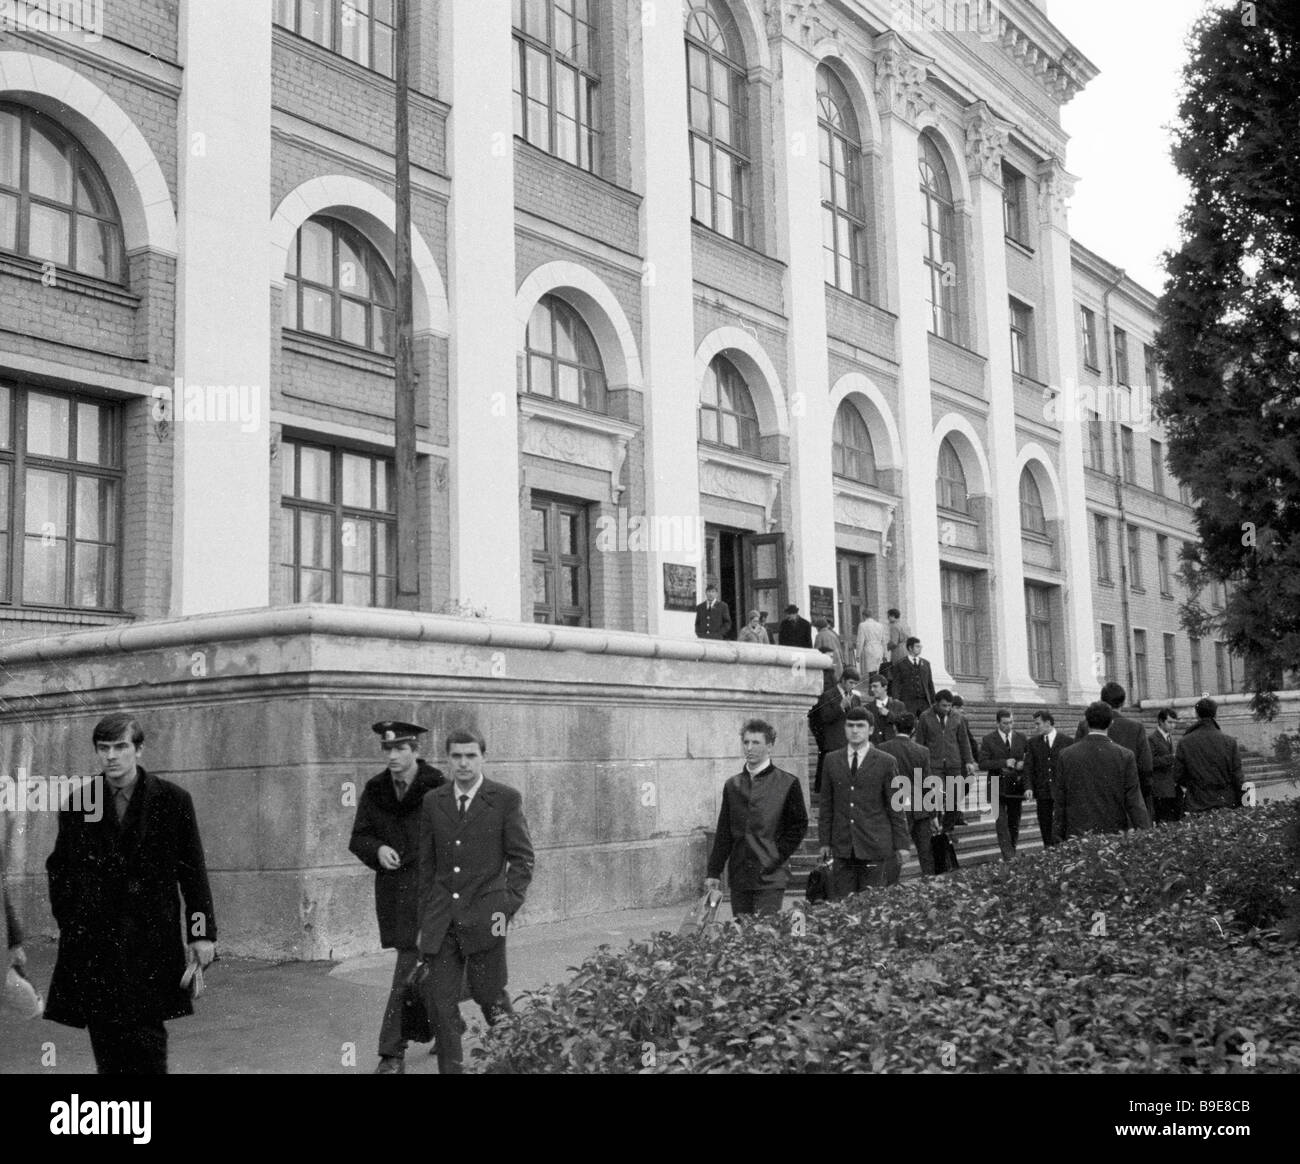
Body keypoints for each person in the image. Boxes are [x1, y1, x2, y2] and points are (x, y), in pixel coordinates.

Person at [44, 713, 216, 1074]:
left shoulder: (171, 800)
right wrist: (73, 920)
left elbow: (193, 873)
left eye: (121, 747)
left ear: (139, 749)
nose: (111, 756)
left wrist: (201, 933)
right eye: (103, 748)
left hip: (150, 942)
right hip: (96, 945)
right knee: (105, 1042)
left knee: (148, 1041)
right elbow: (60, 870)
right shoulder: (82, 802)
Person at [417, 728, 534, 1074]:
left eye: (471, 755)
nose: (463, 763)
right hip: (442, 918)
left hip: (488, 917)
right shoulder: (433, 801)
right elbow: (427, 865)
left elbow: (523, 858)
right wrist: (425, 918)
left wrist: (504, 905)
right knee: (441, 1005)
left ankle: (519, 1064)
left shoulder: (504, 799)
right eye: (456, 756)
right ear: (448, 759)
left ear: (483, 757)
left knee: (490, 997)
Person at [349, 720, 446, 1074]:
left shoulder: (438, 786)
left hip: (433, 893)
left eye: (400, 748)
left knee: (410, 968)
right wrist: (378, 849)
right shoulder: (375, 790)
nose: (392, 755)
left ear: (416, 750)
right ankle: (447, 1025)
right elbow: (359, 837)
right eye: (387, 749)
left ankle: (391, 1053)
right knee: (424, 967)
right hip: (396, 894)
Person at [705, 720, 808, 917]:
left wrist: (776, 855)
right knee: (743, 932)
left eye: (756, 743)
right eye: (746, 742)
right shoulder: (732, 785)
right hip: (739, 873)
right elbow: (724, 831)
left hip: (771, 874)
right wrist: (713, 871)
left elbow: (799, 825)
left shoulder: (788, 783)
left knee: (765, 932)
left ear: (769, 746)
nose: (749, 748)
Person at [818, 707, 910, 897]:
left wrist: (902, 844)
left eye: (860, 726)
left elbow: (896, 807)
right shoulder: (831, 760)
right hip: (843, 847)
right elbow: (826, 805)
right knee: (843, 907)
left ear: (870, 730)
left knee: (872, 906)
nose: (854, 730)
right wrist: (824, 842)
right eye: (850, 725)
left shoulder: (886, 761)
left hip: (875, 846)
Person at [1053, 702, 1151, 843]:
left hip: (1077, 834)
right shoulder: (1125, 755)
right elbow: (1134, 800)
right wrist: (1145, 833)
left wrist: (1057, 836)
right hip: (1113, 833)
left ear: (1086, 723)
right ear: (1111, 723)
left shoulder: (1066, 755)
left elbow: (1060, 800)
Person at [1074, 682, 1154, 821]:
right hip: (1127, 803)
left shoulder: (1085, 725)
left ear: (1102, 701)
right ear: (1123, 702)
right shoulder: (1135, 728)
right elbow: (1146, 767)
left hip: (1091, 802)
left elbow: (1076, 761)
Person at [877, 712, 937, 879]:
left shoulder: (882, 749)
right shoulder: (922, 751)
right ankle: (930, 888)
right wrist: (934, 815)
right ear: (913, 730)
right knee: (926, 854)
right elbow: (927, 784)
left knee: (893, 854)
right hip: (920, 809)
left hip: (894, 807)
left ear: (895, 728)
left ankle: (890, 889)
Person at [915, 690, 975, 831]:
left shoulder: (957, 717)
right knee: (937, 796)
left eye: (949, 706)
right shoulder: (925, 717)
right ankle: (937, 827)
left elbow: (964, 741)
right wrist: (920, 764)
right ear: (936, 704)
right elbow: (920, 743)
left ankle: (947, 830)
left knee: (953, 800)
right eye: (943, 706)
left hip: (953, 764)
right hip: (934, 764)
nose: (947, 709)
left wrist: (969, 761)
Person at [1174, 698, 1244, 815]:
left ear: (1197, 715)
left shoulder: (1184, 742)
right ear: (1215, 715)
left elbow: (1178, 775)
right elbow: (1237, 776)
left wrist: (1194, 785)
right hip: (1225, 802)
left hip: (1196, 802)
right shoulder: (1229, 742)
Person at [979, 710, 1029, 861]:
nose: (1008, 726)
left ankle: (1010, 852)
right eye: (1005, 723)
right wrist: (1003, 763)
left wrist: (1023, 764)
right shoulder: (988, 739)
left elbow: (1028, 759)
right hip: (996, 784)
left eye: (1011, 722)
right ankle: (1009, 856)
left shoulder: (1021, 738)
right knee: (1001, 823)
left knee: (1014, 822)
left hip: (1015, 785)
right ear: (998, 723)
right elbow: (982, 763)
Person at [808, 666, 862, 795]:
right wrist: (840, 707)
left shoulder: (855, 698)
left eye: (855, 684)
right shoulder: (828, 695)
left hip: (849, 742)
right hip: (833, 741)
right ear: (842, 680)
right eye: (850, 683)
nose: (852, 686)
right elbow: (824, 717)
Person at [1024, 710, 1068, 847]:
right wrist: (1028, 787)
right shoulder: (1032, 743)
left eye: (1038, 724)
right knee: (1045, 825)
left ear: (1048, 723)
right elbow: (1028, 767)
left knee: (1062, 824)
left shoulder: (1066, 741)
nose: (1035, 727)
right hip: (1043, 793)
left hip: (1061, 793)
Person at [1149, 708, 1183, 824]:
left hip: (1172, 786)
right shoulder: (1152, 739)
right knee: (1163, 820)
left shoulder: (1170, 737)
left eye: (1175, 723)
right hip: (1160, 788)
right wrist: (1171, 758)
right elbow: (1150, 761)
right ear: (1161, 721)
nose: (1173, 726)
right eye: (1170, 722)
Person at [891, 636, 936, 717]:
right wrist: (896, 700)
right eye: (917, 646)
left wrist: (933, 701)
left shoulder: (926, 664)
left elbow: (930, 683)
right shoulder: (900, 664)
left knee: (925, 725)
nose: (920, 648)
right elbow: (896, 684)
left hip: (924, 702)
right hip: (908, 702)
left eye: (920, 646)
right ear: (910, 648)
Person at [863, 674, 906, 745]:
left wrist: (889, 714)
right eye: (871, 687)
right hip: (875, 749)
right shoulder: (867, 708)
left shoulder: (899, 705)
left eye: (875, 686)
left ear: (885, 687)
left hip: (893, 748)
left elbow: (904, 726)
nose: (872, 689)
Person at [855, 610, 888, 685]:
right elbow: (884, 641)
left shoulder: (863, 625)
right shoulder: (880, 625)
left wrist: (858, 654)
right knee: (878, 668)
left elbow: (860, 641)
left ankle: (872, 687)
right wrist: (885, 654)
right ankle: (877, 686)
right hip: (879, 649)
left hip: (869, 648)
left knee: (871, 670)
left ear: (863, 616)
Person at [812, 616, 845, 688]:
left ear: (818, 627)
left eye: (816, 627)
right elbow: (839, 649)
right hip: (836, 662)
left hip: (827, 663)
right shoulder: (833, 634)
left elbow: (816, 652)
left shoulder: (819, 635)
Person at [884, 609, 911, 684]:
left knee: (897, 671)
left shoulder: (894, 627)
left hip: (898, 651)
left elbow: (894, 642)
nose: (888, 618)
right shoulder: (903, 625)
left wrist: (886, 647)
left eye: (888, 616)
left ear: (892, 616)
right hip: (905, 649)